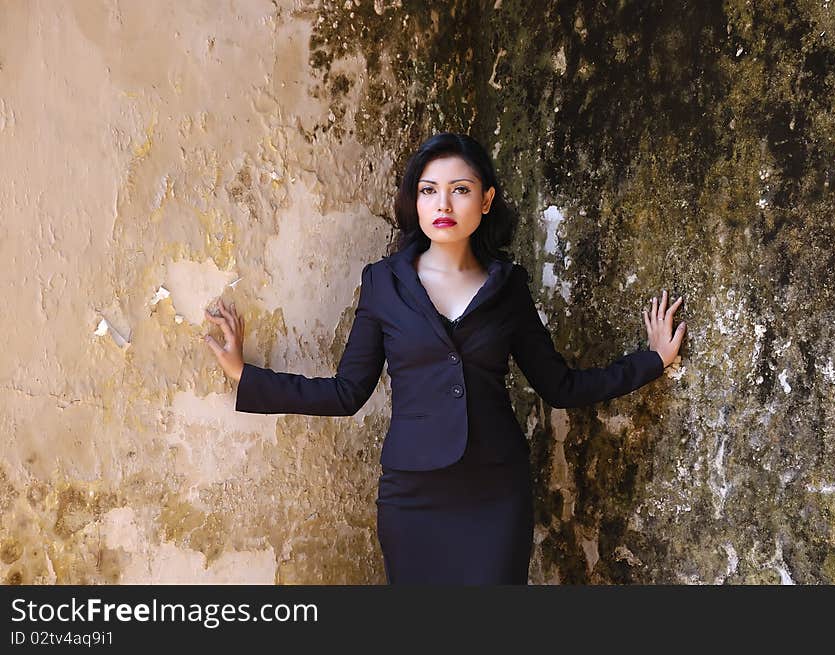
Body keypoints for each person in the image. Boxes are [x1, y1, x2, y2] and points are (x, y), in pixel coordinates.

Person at [204, 132, 686, 584]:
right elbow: (346, 392)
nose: (443, 204)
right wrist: (245, 375)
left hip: (496, 493)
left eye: (460, 189)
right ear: (415, 201)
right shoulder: (383, 283)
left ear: (486, 200)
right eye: (429, 190)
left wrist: (653, 359)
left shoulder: (509, 286)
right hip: (413, 497)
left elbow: (560, 386)